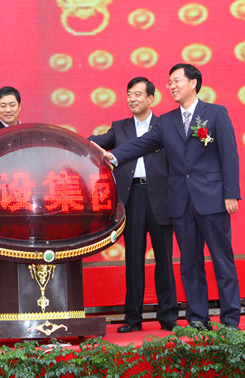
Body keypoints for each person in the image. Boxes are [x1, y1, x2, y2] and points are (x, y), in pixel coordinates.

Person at [93, 63, 241, 329]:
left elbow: (229, 155)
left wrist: (231, 193)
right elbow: (142, 144)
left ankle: (230, 320)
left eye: (176, 81)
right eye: (169, 82)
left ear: (193, 83)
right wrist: (113, 156)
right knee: (190, 263)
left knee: (222, 260)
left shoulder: (216, 113)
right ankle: (198, 319)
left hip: (212, 199)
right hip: (181, 203)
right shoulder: (168, 121)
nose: (171, 86)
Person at [89, 77, 178, 332]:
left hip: (160, 197)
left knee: (164, 259)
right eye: (129, 94)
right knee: (134, 259)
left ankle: (168, 315)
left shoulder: (165, 125)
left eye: (137, 94)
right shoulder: (120, 127)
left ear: (150, 98)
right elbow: (96, 141)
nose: (132, 99)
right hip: (133, 197)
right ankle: (133, 318)